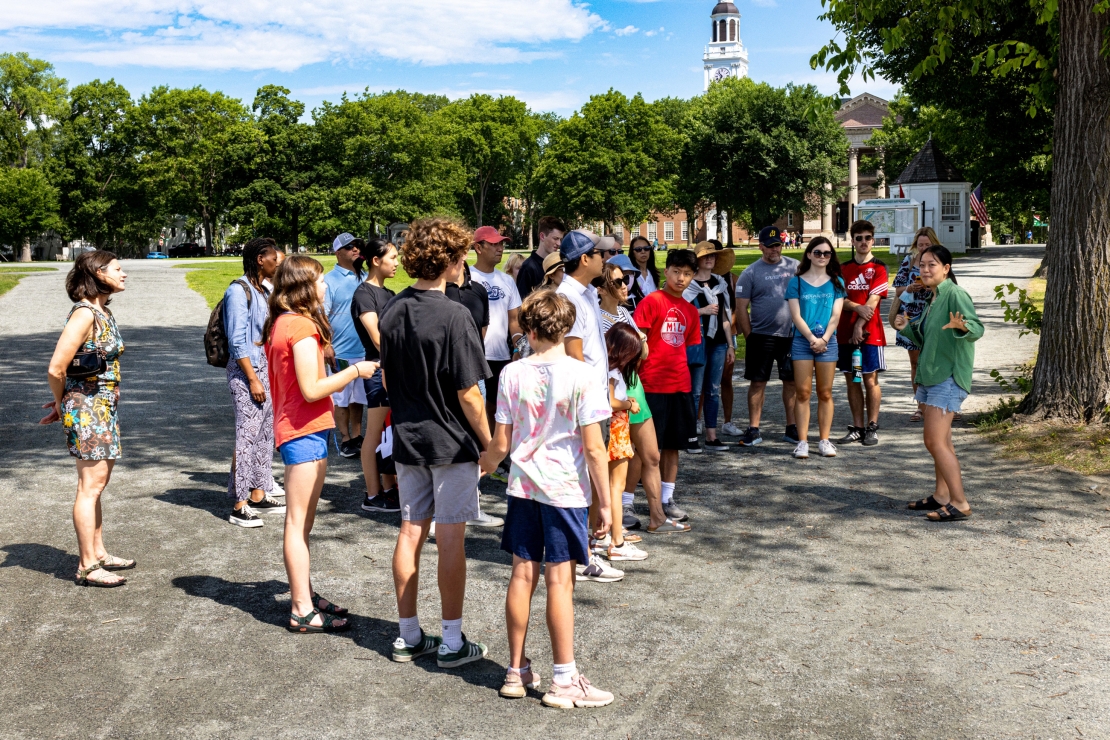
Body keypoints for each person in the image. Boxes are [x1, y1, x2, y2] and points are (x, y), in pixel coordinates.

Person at [482, 290, 615, 708]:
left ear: (530, 329)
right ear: (566, 328)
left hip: (523, 486)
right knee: (560, 580)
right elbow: (594, 448)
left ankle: (516, 670)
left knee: (522, 575)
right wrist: (606, 503)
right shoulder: (583, 374)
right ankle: (563, 679)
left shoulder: (512, 373)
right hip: (565, 490)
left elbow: (500, 443)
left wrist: (477, 469)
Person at [378, 217, 492, 667]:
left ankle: (408, 635)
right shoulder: (455, 315)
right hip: (450, 441)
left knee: (410, 533)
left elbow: (388, 376)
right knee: (449, 540)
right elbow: (469, 393)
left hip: (407, 436)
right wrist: (490, 441)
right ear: (449, 259)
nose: (464, 260)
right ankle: (450, 641)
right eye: (460, 253)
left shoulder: (393, 309)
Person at [261, 255, 377, 632]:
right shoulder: (301, 326)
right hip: (302, 430)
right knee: (297, 525)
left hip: (304, 429)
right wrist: (354, 371)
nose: (326, 287)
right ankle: (301, 608)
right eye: (320, 280)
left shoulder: (283, 322)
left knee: (303, 524)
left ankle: (305, 595)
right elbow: (311, 389)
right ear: (303, 287)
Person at [42, 251, 133, 587]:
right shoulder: (83, 314)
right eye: (118, 269)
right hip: (87, 408)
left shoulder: (101, 311)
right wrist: (61, 402)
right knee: (90, 487)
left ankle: (99, 553)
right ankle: (87, 566)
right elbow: (56, 367)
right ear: (98, 273)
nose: (124, 274)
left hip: (101, 406)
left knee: (98, 485)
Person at [894, 245, 983, 522]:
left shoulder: (955, 294)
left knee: (933, 440)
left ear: (946, 268)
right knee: (943, 441)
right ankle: (942, 495)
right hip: (931, 375)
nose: (925, 269)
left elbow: (977, 328)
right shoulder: (932, 298)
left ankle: (960, 503)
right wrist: (905, 326)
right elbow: (926, 338)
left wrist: (963, 326)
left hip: (949, 377)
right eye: (921, 265)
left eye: (932, 265)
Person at [555, 229, 622, 583]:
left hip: (595, 398)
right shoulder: (569, 297)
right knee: (585, 478)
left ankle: (587, 550)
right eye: (598, 253)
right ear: (584, 259)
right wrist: (589, 402)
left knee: (592, 476)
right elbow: (574, 353)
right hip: (584, 403)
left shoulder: (585, 294)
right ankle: (584, 555)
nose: (604, 258)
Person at [597, 261, 673, 534]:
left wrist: (638, 344)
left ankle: (657, 518)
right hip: (614, 391)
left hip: (633, 385)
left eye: (625, 280)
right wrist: (638, 344)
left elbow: (644, 353)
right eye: (617, 282)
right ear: (602, 288)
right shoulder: (595, 317)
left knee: (650, 455)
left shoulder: (626, 314)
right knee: (614, 461)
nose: (624, 286)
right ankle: (611, 526)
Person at [632, 249, 701, 529]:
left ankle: (667, 499)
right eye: (676, 271)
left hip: (680, 384)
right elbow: (637, 343)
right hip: (651, 384)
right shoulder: (652, 301)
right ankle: (626, 502)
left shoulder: (691, 310)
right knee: (644, 449)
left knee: (673, 446)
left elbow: (687, 345)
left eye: (687, 274)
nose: (681, 278)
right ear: (668, 270)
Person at [223, 237, 287, 528]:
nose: (278, 263)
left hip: (266, 372)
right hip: (247, 373)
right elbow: (237, 341)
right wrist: (252, 379)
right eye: (274, 258)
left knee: (264, 436)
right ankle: (239, 504)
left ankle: (259, 493)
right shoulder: (238, 291)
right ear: (261, 259)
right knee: (246, 436)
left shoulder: (264, 289)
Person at [732, 226, 799, 445]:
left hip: (790, 336)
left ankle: (791, 427)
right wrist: (750, 336)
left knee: (790, 382)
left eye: (777, 245)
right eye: (769, 246)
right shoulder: (750, 272)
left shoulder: (795, 267)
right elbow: (741, 308)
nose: (774, 250)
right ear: (760, 246)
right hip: (761, 336)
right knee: (758, 383)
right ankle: (753, 429)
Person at [786, 237, 847, 459]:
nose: (822, 257)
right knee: (802, 392)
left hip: (828, 342)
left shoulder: (837, 282)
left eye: (827, 253)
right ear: (809, 254)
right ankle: (802, 442)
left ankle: (824, 440)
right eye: (818, 252)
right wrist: (812, 338)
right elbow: (796, 315)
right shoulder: (797, 282)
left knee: (825, 392)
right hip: (803, 341)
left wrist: (824, 339)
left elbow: (836, 315)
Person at [351, 238, 400, 513]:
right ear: (375, 260)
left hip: (392, 371)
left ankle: (389, 487)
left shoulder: (390, 294)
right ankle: (372, 495)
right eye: (392, 257)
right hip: (377, 371)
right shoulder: (363, 294)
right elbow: (379, 340)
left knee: (388, 432)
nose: (397, 263)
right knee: (374, 434)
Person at [836, 220, 889, 446]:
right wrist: (855, 309)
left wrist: (859, 324)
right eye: (859, 238)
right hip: (845, 333)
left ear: (873, 240)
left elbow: (873, 300)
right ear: (853, 240)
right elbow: (840, 298)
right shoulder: (843, 269)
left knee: (870, 378)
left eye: (868, 238)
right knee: (852, 378)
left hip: (870, 333)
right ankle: (857, 426)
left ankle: (872, 426)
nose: (863, 242)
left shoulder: (879, 268)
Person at [603, 323, 650, 562]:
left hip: (614, 426)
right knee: (616, 486)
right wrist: (629, 404)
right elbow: (610, 401)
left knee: (609, 485)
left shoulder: (609, 368)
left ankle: (604, 537)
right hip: (616, 426)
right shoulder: (613, 371)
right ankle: (617, 541)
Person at [470, 225, 523, 429]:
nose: (500, 248)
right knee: (475, 406)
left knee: (496, 408)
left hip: (500, 356)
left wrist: (518, 347)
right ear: (478, 247)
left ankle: (492, 452)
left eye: (501, 243)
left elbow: (514, 320)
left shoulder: (507, 281)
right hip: (474, 355)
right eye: (493, 244)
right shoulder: (466, 277)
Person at [683, 241, 734, 452]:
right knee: (695, 392)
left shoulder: (720, 283)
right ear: (698, 260)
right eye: (706, 256)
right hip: (697, 342)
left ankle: (711, 436)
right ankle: (690, 436)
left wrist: (731, 344)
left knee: (713, 390)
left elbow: (724, 316)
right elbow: (680, 314)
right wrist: (702, 311)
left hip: (719, 343)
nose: (710, 259)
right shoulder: (687, 285)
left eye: (713, 256)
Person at [888, 227, 941, 422]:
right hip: (910, 318)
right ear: (915, 245)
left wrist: (930, 285)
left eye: (927, 245)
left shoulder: (941, 261)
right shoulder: (909, 261)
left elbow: (950, 287)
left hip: (933, 315)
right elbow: (898, 289)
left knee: (935, 363)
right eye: (920, 245)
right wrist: (911, 287)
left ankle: (938, 406)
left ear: (934, 244)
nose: (924, 248)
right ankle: (920, 406)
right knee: (915, 364)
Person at [324, 233, 368, 458]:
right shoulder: (329, 280)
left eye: (358, 246)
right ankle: (345, 438)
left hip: (363, 351)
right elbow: (321, 316)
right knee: (341, 399)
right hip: (339, 351)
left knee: (358, 398)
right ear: (338, 252)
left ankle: (358, 435)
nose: (356, 249)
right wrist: (326, 344)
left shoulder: (366, 277)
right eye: (350, 247)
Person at [516, 216, 567, 298]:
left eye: (560, 239)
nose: (559, 243)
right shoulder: (528, 267)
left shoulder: (560, 264)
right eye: (555, 238)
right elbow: (522, 303)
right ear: (542, 236)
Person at [627, 234, 660, 311]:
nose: (643, 252)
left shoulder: (654, 274)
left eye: (646, 248)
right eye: (638, 249)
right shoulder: (629, 275)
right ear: (632, 253)